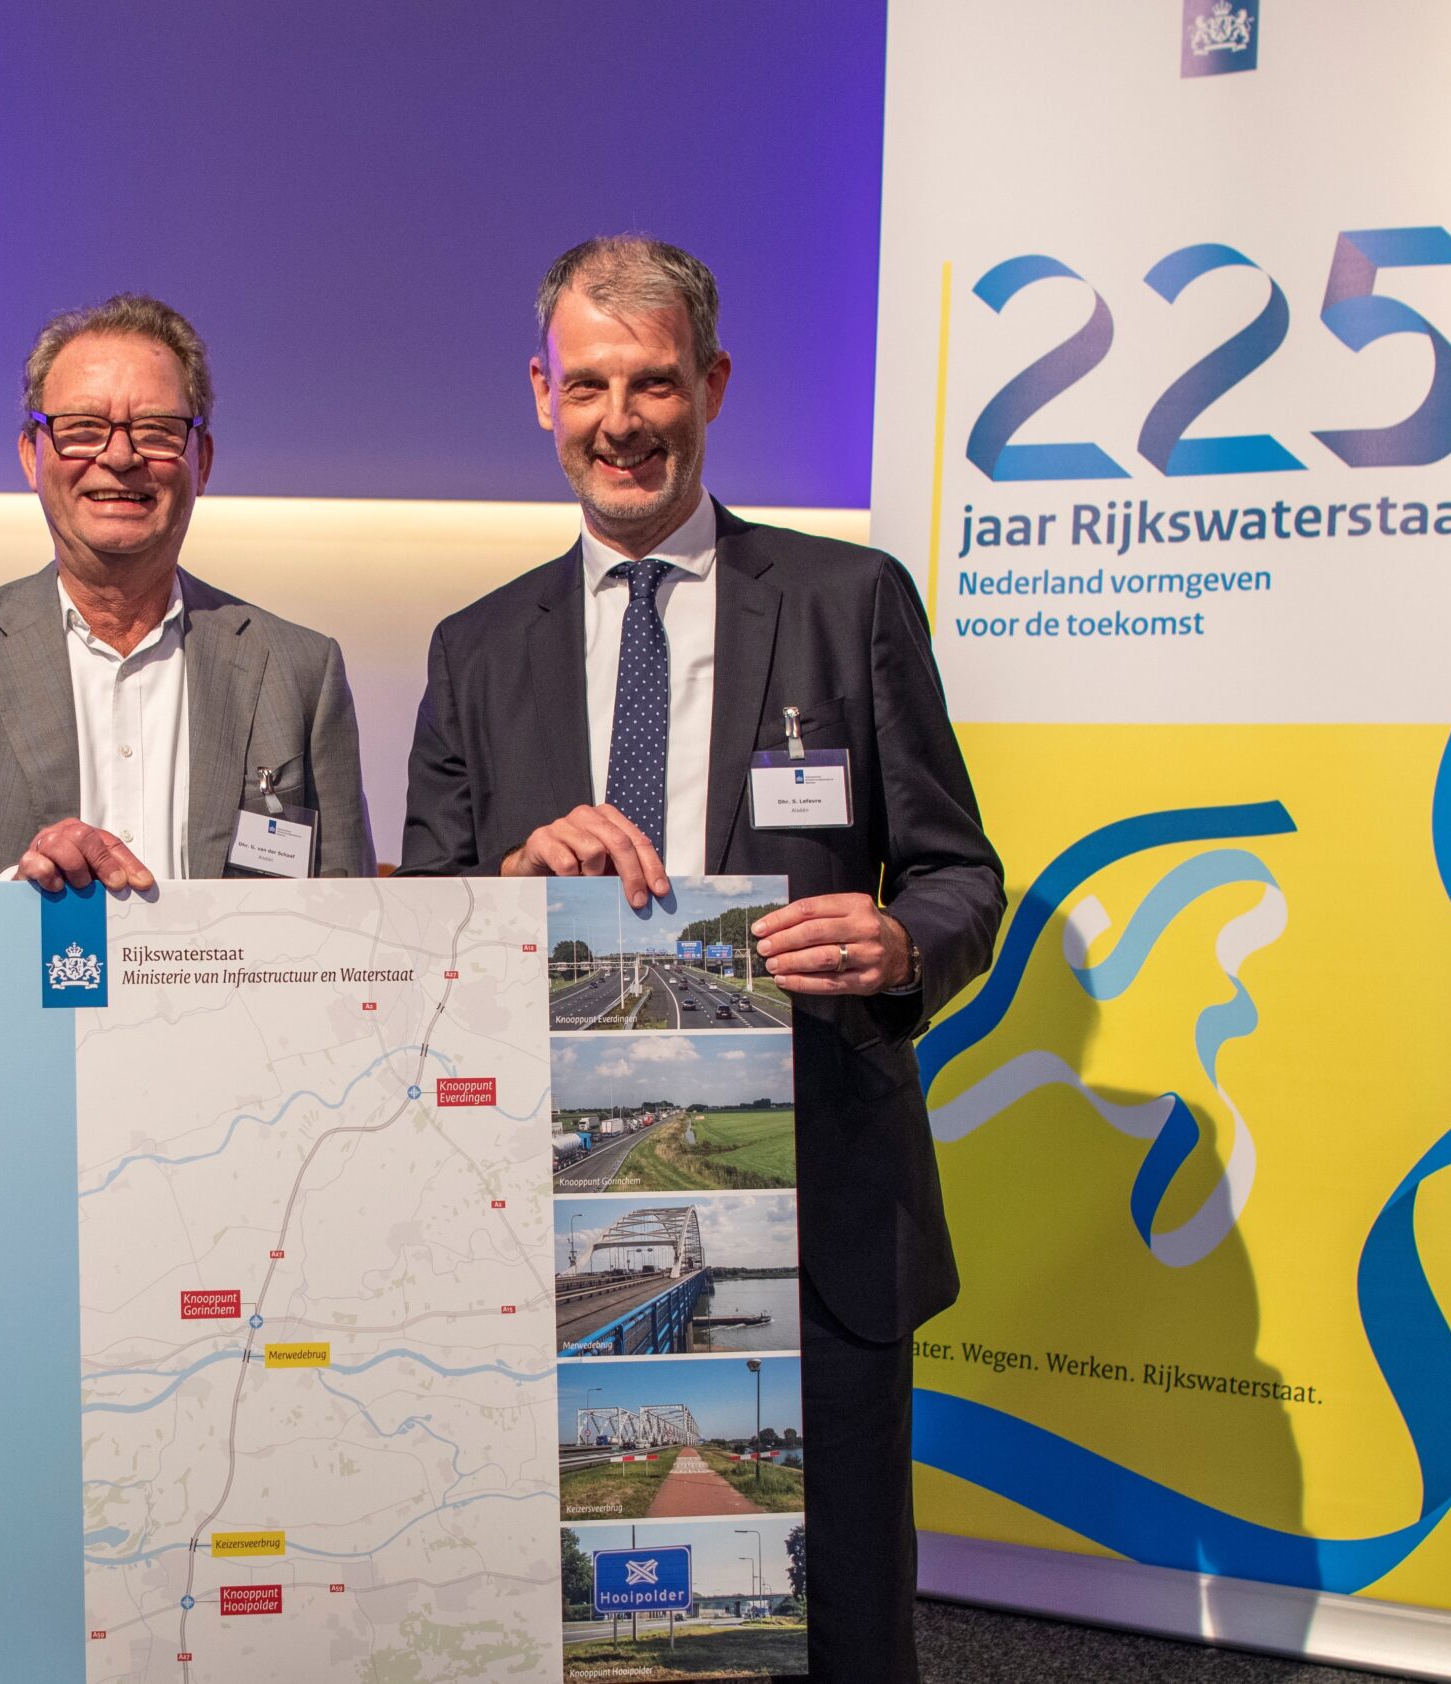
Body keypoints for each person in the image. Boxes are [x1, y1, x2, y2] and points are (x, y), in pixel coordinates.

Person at [398, 237, 1003, 1681]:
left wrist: (899, 939)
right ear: (540, 396)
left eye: (655, 382)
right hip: (545, 1225)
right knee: (595, 1619)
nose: (623, 420)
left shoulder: (850, 601)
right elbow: (417, 933)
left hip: (823, 1209)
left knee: (838, 1618)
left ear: (712, 386)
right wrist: (505, 890)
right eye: (589, 383)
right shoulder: (474, 650)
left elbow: (960, 876)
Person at [0, 293, 372, 886]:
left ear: (201, 461)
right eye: (83, 429)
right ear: (31, 456)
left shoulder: (301, 669)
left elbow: (349, 916)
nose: (120, 455)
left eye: (156, 430)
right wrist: (14, 900)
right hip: (26, 980)